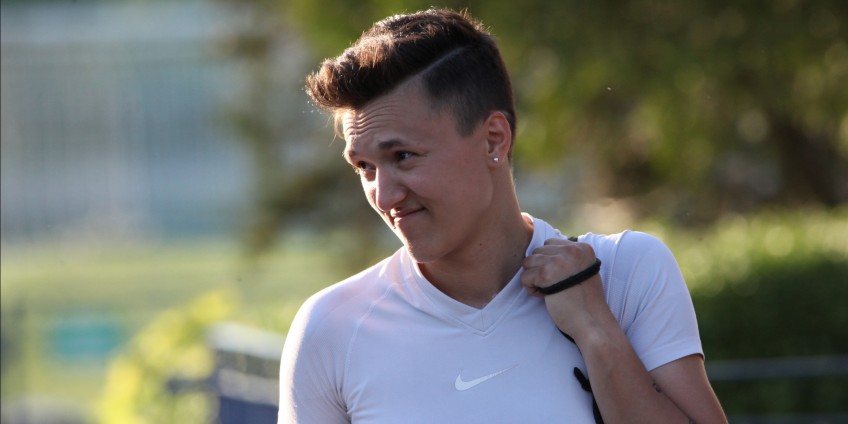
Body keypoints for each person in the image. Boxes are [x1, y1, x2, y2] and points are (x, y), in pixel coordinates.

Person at [278, 8, 726, 424]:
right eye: (365, 167)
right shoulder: (330, 328)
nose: (384, 195)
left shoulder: (625, 272)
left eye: (404, 156)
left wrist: (597, 332)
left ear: (494, 139)